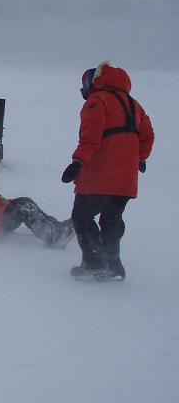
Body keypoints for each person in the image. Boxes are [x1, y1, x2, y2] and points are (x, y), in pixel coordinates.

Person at [61, 62, 154, 281]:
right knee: (111, 220)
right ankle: (113, 265)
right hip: (126, 180)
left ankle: (93, 262)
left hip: (101, 176)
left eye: (85, 83)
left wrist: (77, 163)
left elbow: (90, 138)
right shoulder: (134, 104)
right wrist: (140, 158)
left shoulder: (97, 101)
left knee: (82, 215)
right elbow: (148, 135)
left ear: (93, 81)